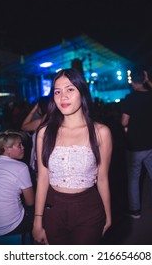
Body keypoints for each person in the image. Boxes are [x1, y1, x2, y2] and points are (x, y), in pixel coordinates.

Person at [32, 68, 112, 245]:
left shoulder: (101, 132)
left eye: (70, 89)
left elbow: (103, 178)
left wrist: (108, 214)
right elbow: (43, 178)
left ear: (82, 92)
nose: (63, 97)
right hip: (54, 209)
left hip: (89, 208)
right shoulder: (45, 132)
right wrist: (37, 220)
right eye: (57, 91)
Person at [121, 70, 152, 219]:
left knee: (134, 178)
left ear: (133, 82)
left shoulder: (130, 98)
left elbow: (124, 121)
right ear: (144, 80)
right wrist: (148, 79)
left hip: (135, 146)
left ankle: (135, 210)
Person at [0, 130, 34, 237]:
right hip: (11, 225)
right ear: (7, 149)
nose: (23, 147)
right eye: (19, 145)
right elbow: (30, 201)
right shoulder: (21, 167)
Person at [21, 96, 49, 174]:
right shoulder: (51, 121)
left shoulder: (40, 123)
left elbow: (24, 126)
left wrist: (33, 110)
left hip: (40, 160)